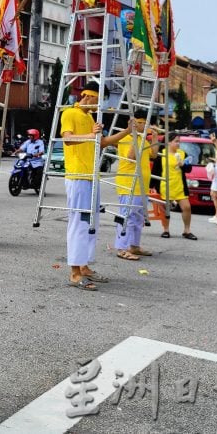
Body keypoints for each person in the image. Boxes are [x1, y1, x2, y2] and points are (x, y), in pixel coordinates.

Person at [60, 81, 133, 290]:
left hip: (92, 177)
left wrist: (127, 131)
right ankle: (74, 272)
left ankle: (84, 267)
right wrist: (91, 135)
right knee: (79, 224)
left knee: (92, 224)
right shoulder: (70, 113)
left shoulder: (90, 116)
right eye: (99, 100)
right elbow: (68, 139)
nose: (99, 105)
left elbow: (101, 142)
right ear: (88, 96)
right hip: (77, 177)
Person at [114, 110, 160, 260]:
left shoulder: (143, 140)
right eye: (142, 123)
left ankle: (134, 246)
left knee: (138, 218)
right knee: (127, 216)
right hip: (128, 184)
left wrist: (153, 137)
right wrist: (133, 133)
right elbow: (131, 157)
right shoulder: (125, 138)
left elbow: (153, 154)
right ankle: (121, 248)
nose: (145, 125)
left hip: (142, 185)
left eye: (146, 123)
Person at [151, 135, 198, 240]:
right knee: (166, 209)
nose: (178, 143)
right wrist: (152, 186)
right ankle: (166, 230)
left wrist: (183, 165)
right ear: (168, 142)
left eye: (179, 141)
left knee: (187, 207)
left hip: (179, 186)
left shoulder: (182, 153)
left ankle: (187, 230)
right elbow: (155, 170)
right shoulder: (161, 154)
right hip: (165, 186)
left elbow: (189, 169)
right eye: (176, 141)